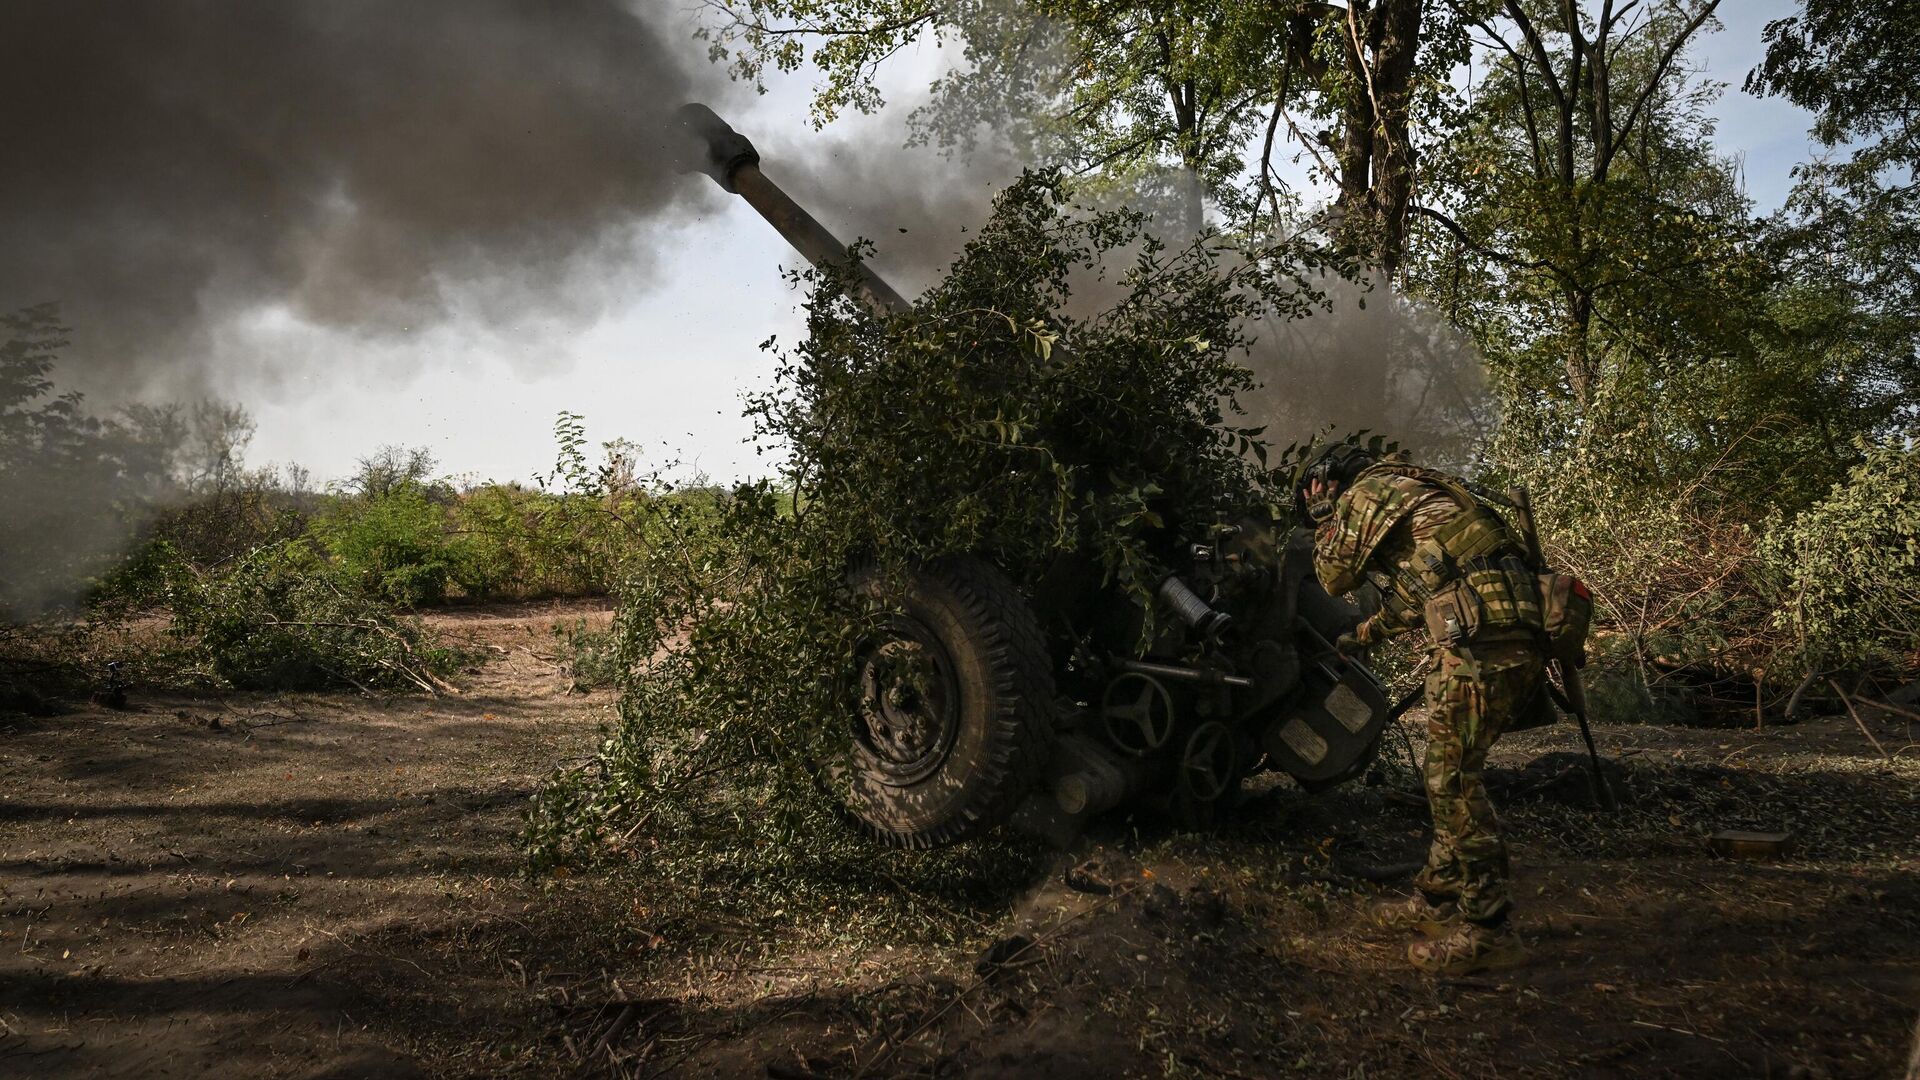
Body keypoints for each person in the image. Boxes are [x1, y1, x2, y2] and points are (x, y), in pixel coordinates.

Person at [1301, 442, 1546, 975]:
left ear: (1327, 479)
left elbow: (1335, 575)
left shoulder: (1370, 491)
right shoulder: (1420, 489)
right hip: (1498, 635)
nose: (1313, 499)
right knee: (1447, 773)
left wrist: (1323, 519)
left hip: (1482, 643)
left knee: (1452, 782)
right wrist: (1366, 633)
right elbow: (1422, 592)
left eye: (1313, 491)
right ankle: (1436, 903)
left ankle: (1489, 930)